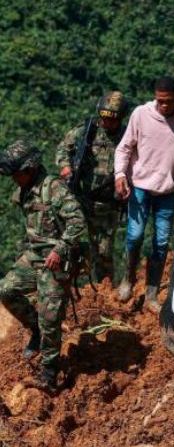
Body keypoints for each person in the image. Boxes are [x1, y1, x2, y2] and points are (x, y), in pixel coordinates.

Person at [114, 76, 174, 311]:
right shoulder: (141, 114)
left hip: (167, 191)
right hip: (139, 186)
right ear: (154, 97)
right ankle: (128, 278)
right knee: (135, 235)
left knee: (160, 242)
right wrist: (119, 174)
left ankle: (151, 294)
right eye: (160, 101)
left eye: (168, 101)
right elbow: (125, 147)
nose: (164, 106)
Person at [0, 141, 86, 390]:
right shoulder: (26, 189)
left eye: (18, 173)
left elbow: (78, 221)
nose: (15, 178)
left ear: (30, 168)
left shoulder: (54, 189)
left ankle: (49, 373)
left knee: (50, 317)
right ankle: (35, 331)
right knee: (6, 289)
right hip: (35, 255)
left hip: (56, 259)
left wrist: (60, 248)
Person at [55, 91, 130, 285]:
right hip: (82, 200)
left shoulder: (127, 135)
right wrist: (65, 167)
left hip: (108, 205)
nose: (107, 123)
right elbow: (63, 148)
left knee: (103, 253)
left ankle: (103, 293)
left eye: (112, 120)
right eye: (104, 118)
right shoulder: (88, 129)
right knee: (70, 247)